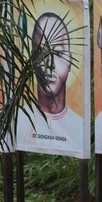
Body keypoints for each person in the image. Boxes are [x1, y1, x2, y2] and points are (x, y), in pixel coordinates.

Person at [16, 12, 83, 153]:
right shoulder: (18, 122)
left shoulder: (80, 128)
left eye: (58, 53)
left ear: (70, 60)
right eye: (41, 52)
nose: (49, 63)